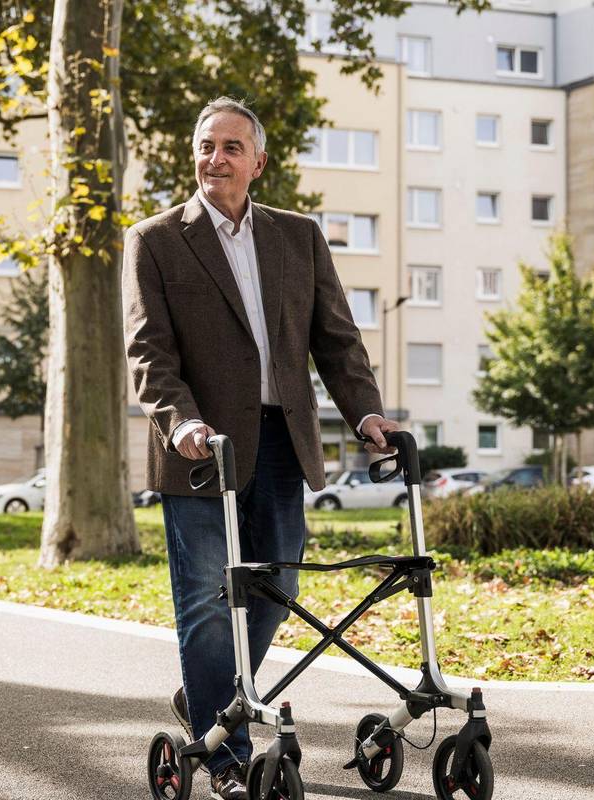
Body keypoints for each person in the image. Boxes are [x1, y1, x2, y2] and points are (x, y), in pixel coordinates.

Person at [122, 96, 399, 799]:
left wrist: (367, 414)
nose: (216, 158)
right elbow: (149, 352)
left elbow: (336, 340)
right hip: (201, 452)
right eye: (206, 145)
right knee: (211, 601)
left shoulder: (298, 236)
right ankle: (226, 756)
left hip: (282, 439)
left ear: (259, 162)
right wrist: (178, 421)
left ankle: (210, 699)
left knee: (278, 589)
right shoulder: (155, 240)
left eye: (231, 147)